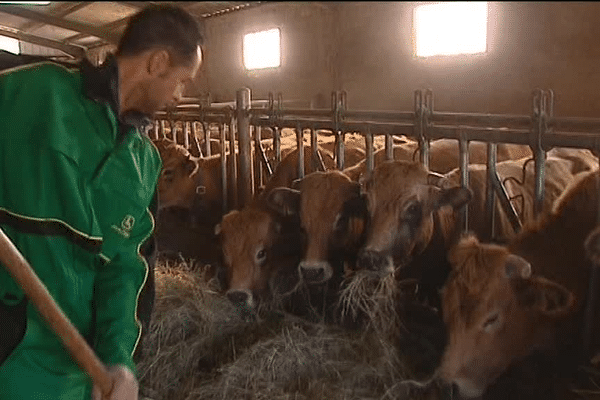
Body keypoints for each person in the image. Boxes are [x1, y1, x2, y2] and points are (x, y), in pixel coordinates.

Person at [0, 4, 204, 400]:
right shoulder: (36, 91)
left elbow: (126, 272)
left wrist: (119, 362)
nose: (180, 96)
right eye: (182, 81)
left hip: (76, 376)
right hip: (10, 358)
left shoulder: (144, 164)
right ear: (158, 62)